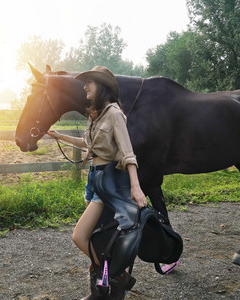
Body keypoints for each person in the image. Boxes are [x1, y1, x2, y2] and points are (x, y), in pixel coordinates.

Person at [47, 66, 147, 300]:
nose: (85, 86)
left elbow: (127, 153)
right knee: (96, 238)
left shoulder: (114, 113)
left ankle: (117, 276)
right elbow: (88, 144)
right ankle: (101, 288)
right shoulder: (97, 114)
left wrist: (135, 186)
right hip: (93, 180)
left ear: (101, 86)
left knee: (80, 237)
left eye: (89, 82)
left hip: (108, 182)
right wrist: (59, 136)